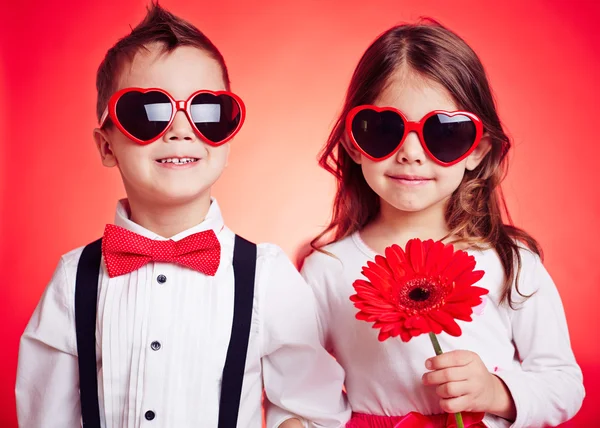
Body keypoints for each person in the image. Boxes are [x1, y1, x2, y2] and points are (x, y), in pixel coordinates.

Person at [16, 4, 350, 427]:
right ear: (106, 146)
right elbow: (44, 414)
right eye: (148, 112)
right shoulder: (73, 278)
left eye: (207, 111)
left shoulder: (266, 277)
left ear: (227, 142)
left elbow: (313, 406)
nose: (180, 129)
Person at [301, 20, 584, 428]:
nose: (411, 153)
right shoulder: (328, 268)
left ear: (478, 150)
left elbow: (563, 382)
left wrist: (497, 392)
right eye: (385, 130)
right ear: (353, 143)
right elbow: (302, 388)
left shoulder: (510, 262)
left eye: (443, 133)